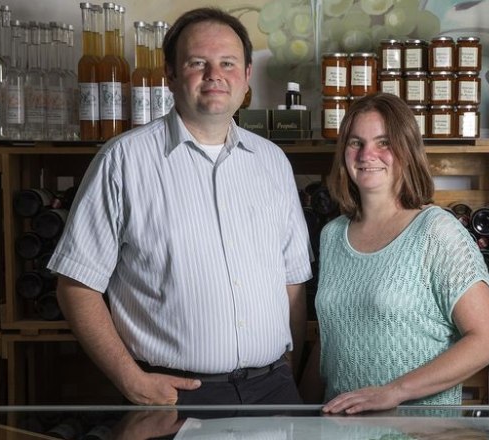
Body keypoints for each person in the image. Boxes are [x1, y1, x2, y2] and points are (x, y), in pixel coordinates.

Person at [48, 7, 312, 406]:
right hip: (173, 396)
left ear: (245, 76)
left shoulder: (272, 162)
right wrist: (129, 378)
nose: (214, 75)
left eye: (227, 63)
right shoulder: (123, 160)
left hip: (273, 389)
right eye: (197, 63)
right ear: (170, 75)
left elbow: (292, 282)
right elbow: (76, 285)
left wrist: (289, 364)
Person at [299, 93, 489, 414]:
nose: (368, 154)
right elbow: (331, 339)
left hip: (417, 430)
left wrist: (395, 392)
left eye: (383, 142)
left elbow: (487, 339)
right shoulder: (333, 234)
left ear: (406, 151)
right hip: (339, 428)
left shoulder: (436, 231)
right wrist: (299, 415)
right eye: (355, 142)